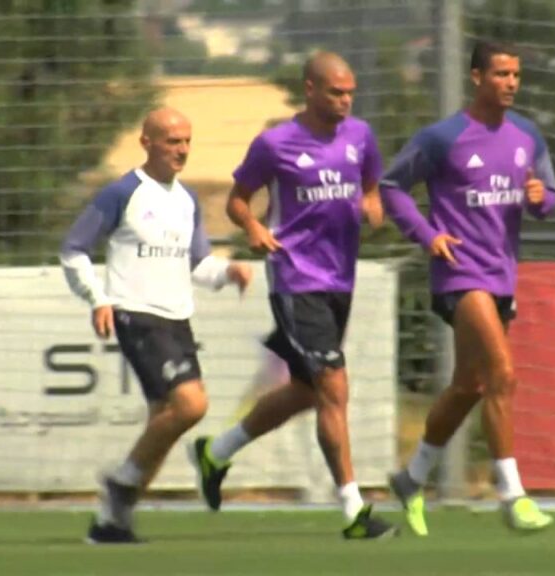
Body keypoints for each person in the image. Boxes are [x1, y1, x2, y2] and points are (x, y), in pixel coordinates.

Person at [189, 51, 395, 539]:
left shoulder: (360, 136)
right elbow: (237, 201)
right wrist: (255, 226)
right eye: (335, 93)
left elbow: (371, 186)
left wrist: (371, 204)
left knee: (306, 391)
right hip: (295, 278)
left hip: (339, 280)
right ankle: (354, 511)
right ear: (310, 89)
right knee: (333, 388)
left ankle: (215, 453)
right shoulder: (276, 143)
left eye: (350, 93)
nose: (345, 102)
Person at [379, 41, 555, 536]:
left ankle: (411, 478)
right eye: (501, 74)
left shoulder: (526, 136)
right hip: (460, 274)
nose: (512, 83)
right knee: (503, 374)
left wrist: (541, 199)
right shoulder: (443, 137)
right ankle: (512, 495)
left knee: (469, 387)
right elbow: (392, 187)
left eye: (516, 75)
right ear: (477, 77)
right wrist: (428, 234)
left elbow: (549, 196)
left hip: (502, 276)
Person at [60, 107, 252, 544]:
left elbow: (198, 265)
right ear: (147, 143)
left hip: (177, 318)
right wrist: (98, 298)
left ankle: (112, 522)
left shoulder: (186, 201)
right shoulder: (122, 192)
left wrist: (228, 273)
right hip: (137, 314)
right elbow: (74, 249)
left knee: (162, 424)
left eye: (186, 141)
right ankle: (121, 480)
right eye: (171, 141)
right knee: (190, 405)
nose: (181, 149)